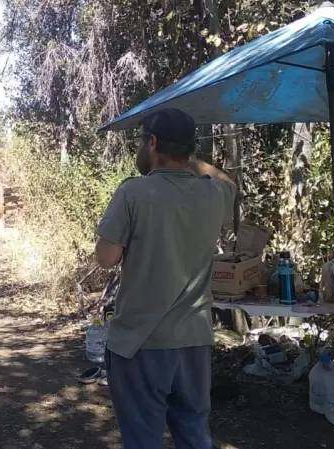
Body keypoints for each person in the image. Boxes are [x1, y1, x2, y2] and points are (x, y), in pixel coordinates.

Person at [94, 107, 236, 449]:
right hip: (194, 340)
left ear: (153, 143)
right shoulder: (212, 195)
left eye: (143, 142)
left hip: (140, 342)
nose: (140, 149)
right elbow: (230, 183)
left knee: (144, 439)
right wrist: (192, 161)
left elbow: (105, 258)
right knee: (193, 434)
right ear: (188, 150)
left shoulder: (133, 193)